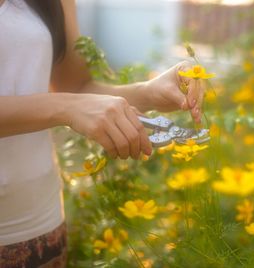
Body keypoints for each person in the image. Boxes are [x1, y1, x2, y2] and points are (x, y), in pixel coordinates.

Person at [0, 0, 204, 266]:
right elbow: (70, 103)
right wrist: (65, 107)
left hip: (38, 225)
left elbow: (76, 87)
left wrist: (148, 92)